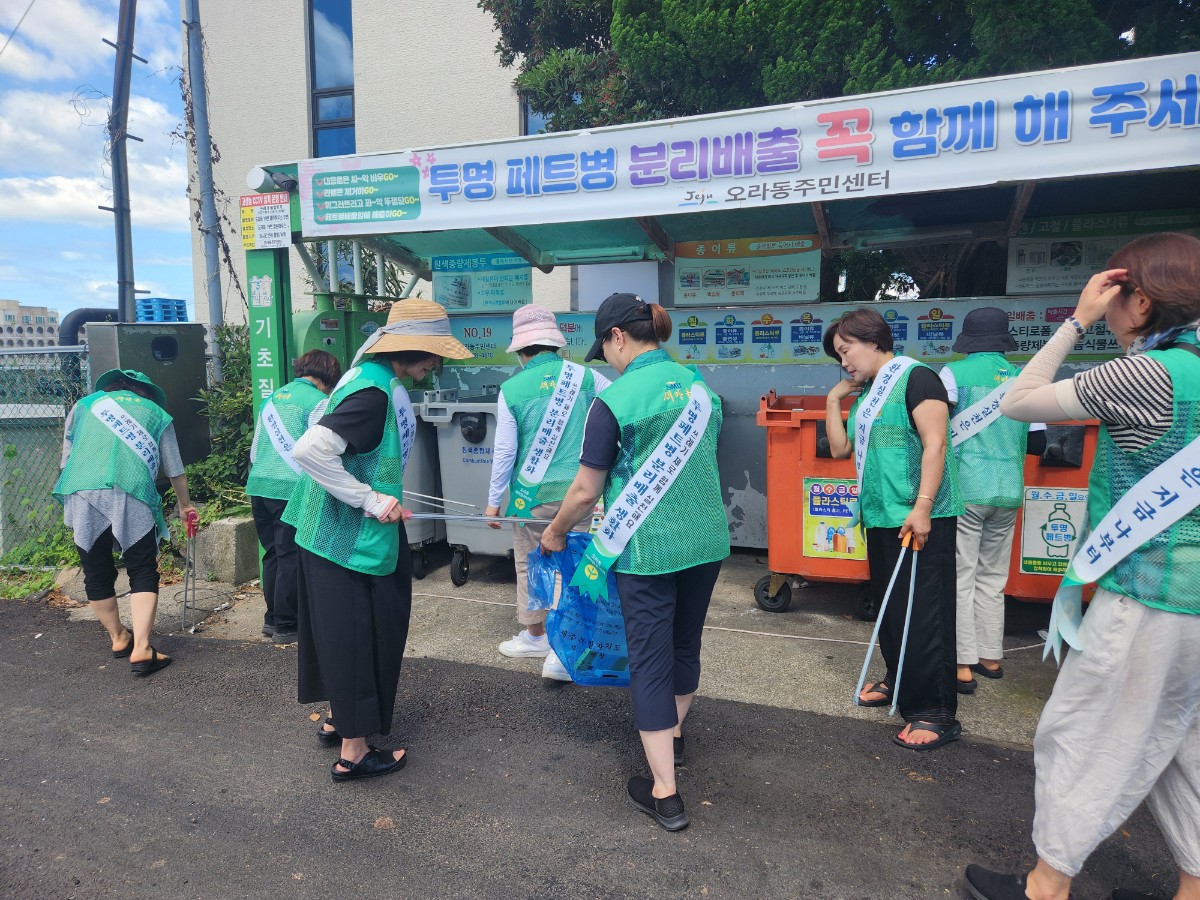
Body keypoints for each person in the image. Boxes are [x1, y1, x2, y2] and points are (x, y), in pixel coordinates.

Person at [963, 232, 1200, 900]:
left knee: (1086, 736)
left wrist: (1076, 321)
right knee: (1187, 749)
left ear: (1142, 302)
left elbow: (1020, 400)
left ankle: (1046, 886)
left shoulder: (1151, 373)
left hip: (1149, 597)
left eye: (1117, 292)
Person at [540, 292, 729, 831]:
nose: (609, 360)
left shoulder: (614, 402)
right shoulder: (701, 390)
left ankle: (665, 792)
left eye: (607, 348)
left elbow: (583, 492)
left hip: (646, 550)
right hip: (706, 542)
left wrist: (554, 533)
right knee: (685, 644)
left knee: (649, 661)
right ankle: (672, 736)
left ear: (617, 337)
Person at [285, 299, 472, 782]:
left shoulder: (361, 376)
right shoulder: (373, 394)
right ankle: (354, 752)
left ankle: (340, 718)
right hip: (348, 537)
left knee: (338, 632)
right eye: (433, 353)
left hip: (326, 531)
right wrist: (370, 500)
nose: (436, 364)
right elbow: (310, 450)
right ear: (408, 347)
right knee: (361, 635)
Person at [823, 308, 964, 751]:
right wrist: (834, 400)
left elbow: (935, 443)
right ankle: (899, 678)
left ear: (873, 340)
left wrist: (922, 507)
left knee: (925, 612)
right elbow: (842, 449)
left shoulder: (918, 378)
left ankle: (936, 711)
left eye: (846, 350)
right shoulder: (865, 396)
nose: (844, 361)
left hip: (920, 516)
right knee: (892, 608)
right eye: (838, 356)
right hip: (882, 515)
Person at [484, 304, 610, 681]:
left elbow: (505, 451)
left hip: (530, 497)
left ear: (522, 351)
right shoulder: (589, 378)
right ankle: (565, 646)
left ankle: (536, 636)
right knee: (570, 566)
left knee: (531, 562)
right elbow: (618, 412)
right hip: (580, 493)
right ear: (554, 345)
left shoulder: (512, 389)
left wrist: (493, 503)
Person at [53, 368, 196, 677]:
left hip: (81, 489)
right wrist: (185, 505)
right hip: (130, 490)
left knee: (96, 567)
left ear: (112, 387)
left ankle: (119, 638)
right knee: (142, 567)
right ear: (143, 391)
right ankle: (143, 648)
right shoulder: (157, 414)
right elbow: (175, 468)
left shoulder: (84, 406)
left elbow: (66, 461)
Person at [939, 308, 1046, 693]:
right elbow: (1038, 443)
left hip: (966, 490)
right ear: (1004, 339)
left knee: (961, 575)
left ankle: (963, 664)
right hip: (1008, 489)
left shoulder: (953, 374)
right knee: (992, 578)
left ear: (968, 340)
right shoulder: (1024, 379)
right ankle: (991, 657)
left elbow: (936, 428)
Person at [246, 350, 341, 644]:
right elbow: (320, 448)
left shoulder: (272, 398)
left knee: (272, 553)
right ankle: (288, 625)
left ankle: (272, 618)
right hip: (290, 489)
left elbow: (254, 449)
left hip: (259, 485)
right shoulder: (318, 402)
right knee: (290, 556)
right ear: (327, 376)